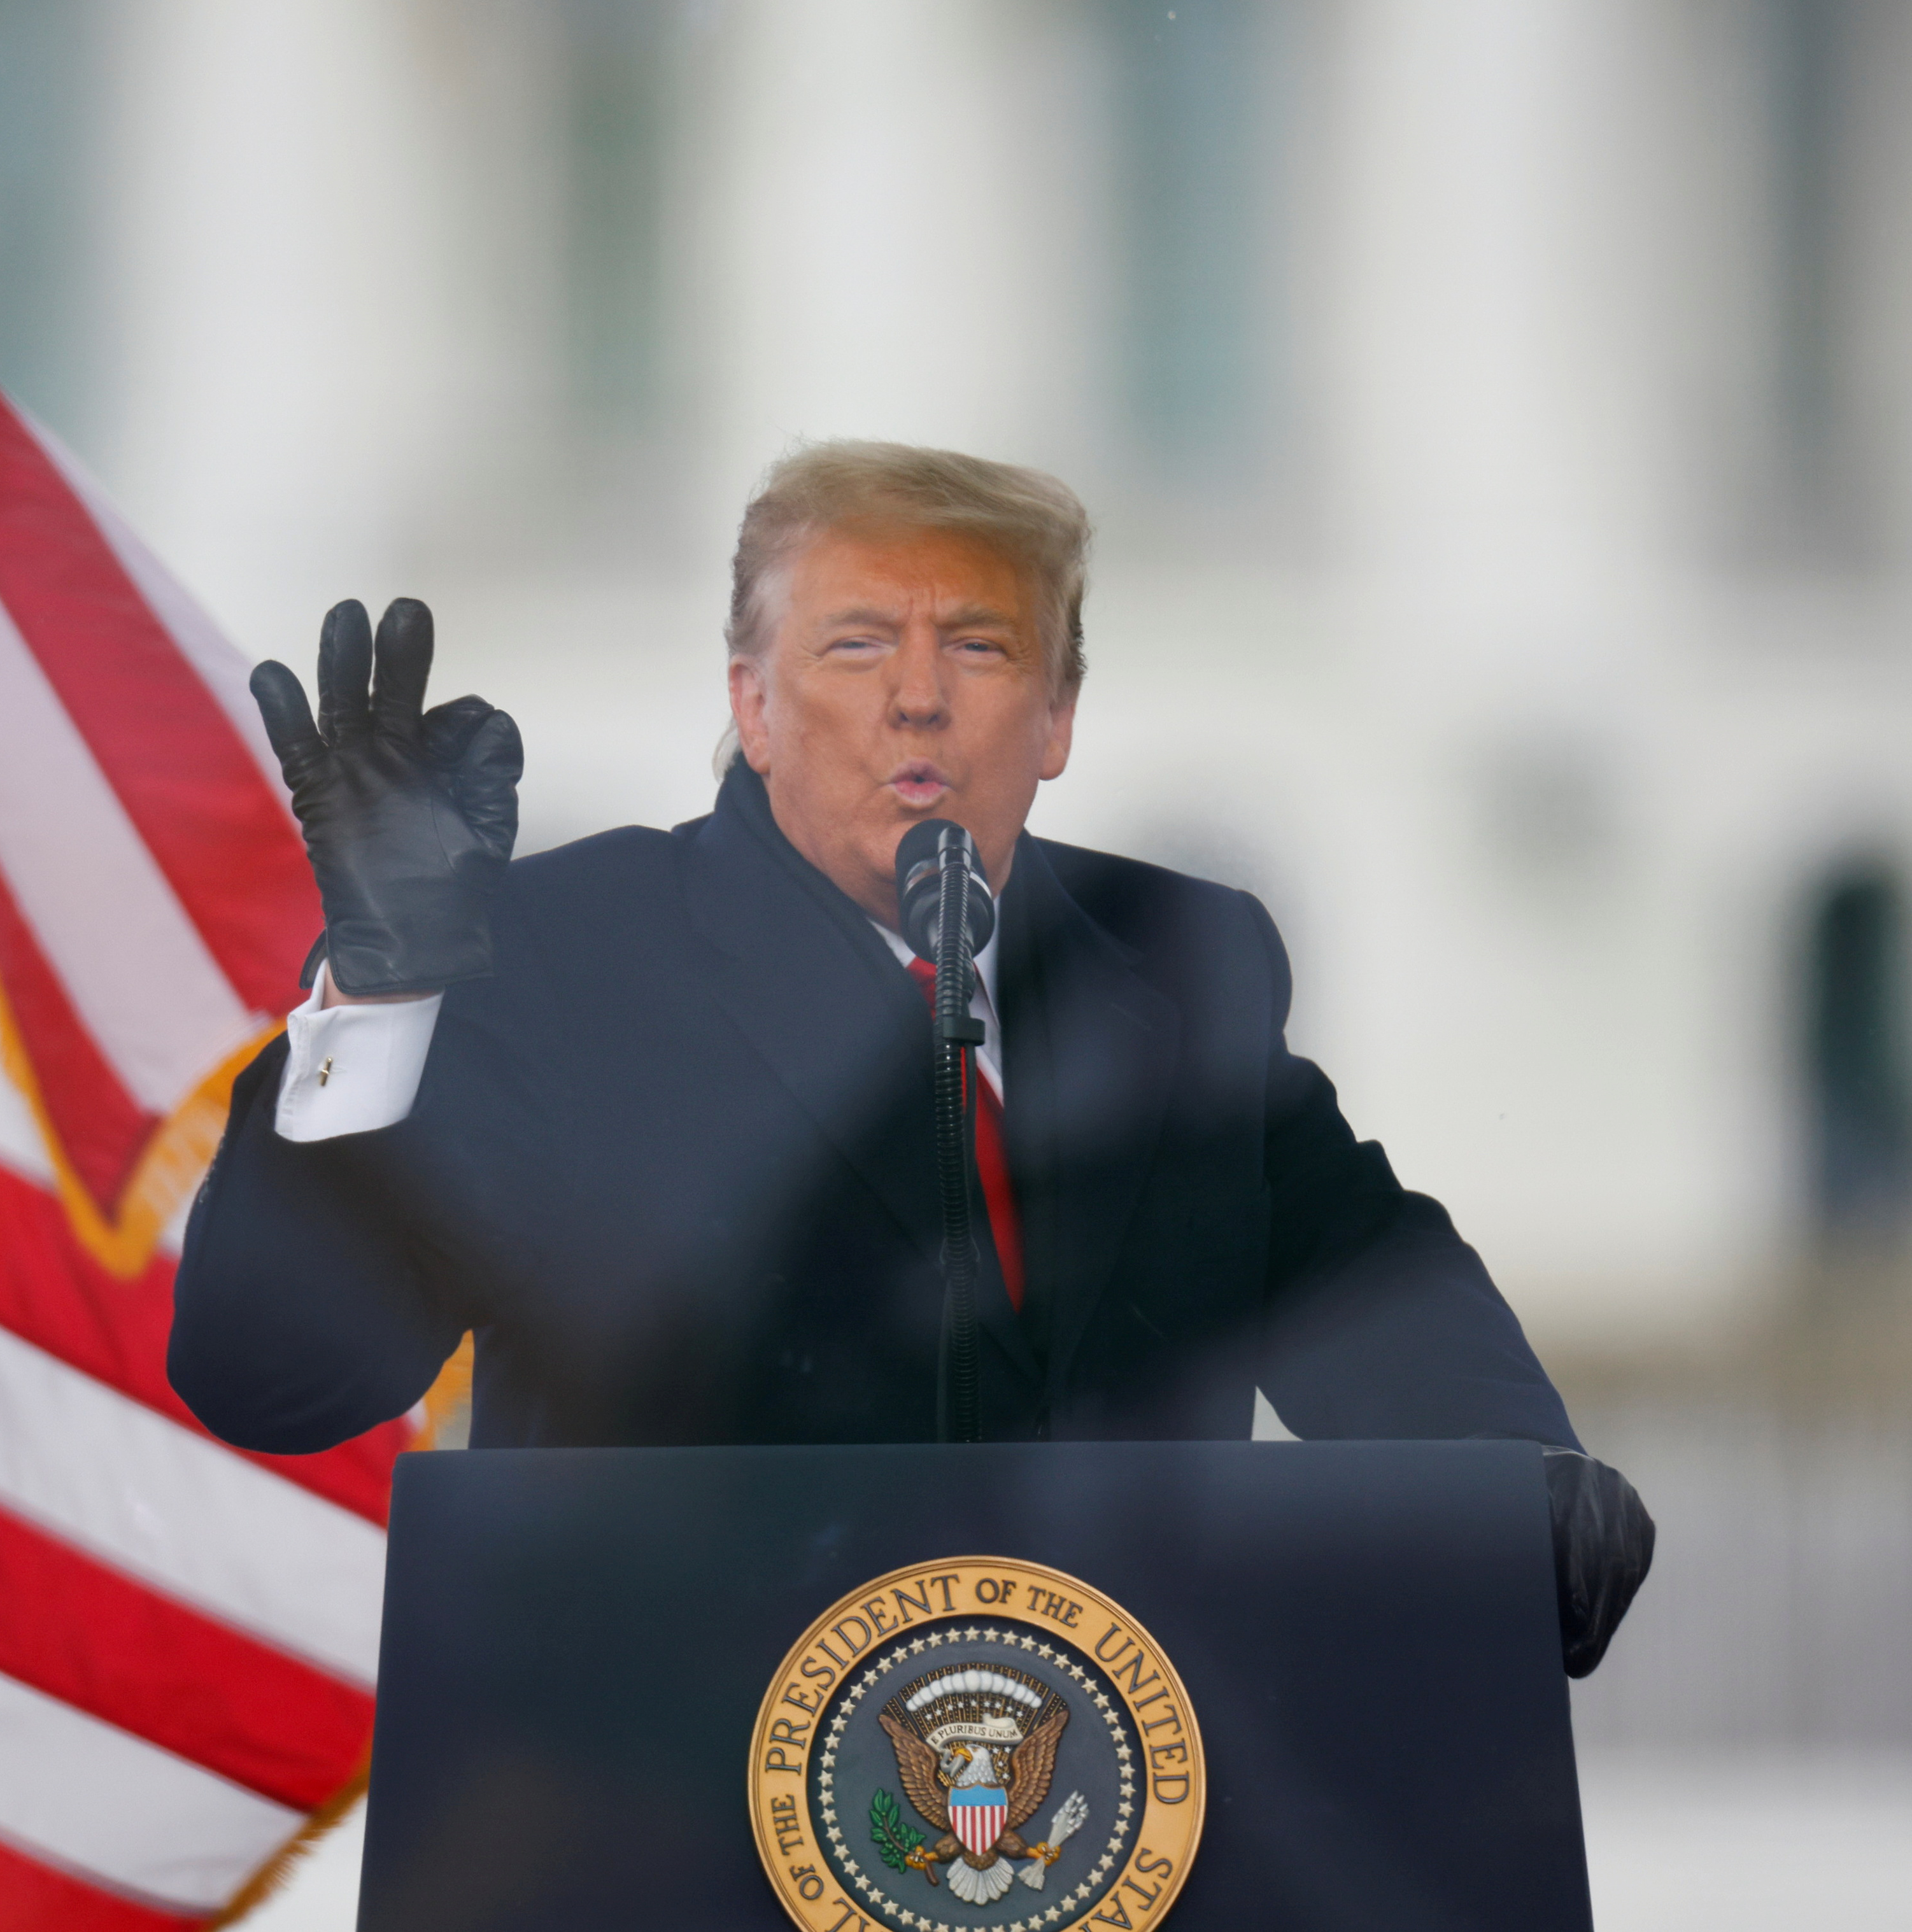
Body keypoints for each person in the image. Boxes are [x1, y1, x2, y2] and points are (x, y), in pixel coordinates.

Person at [170, 441, 1652, 1675]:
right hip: (657, 1827)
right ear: (749, 703)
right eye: (857, 643)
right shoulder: (557, 954)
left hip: (1114, 1818)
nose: (918, 698)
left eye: (983, 646)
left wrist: (1509, 1480)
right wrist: (379, 991)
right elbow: (275, 1375)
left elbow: (1364, 1281)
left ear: (1058, 713)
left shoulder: (1177, 962)